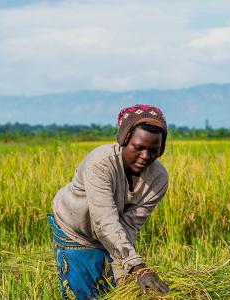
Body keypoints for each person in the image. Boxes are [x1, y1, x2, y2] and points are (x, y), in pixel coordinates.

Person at [49, 104, 171, 299]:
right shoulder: (101, 163)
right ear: (124, 140)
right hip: (75, 229)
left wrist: (126, 270)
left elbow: (130, 225)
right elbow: (103, 220)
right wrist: (138, 267)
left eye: (153, 150)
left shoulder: (158, 178)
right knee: (83, 291)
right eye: (138, 148)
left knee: (110, 289)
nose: (145, 156)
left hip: (111, 232)